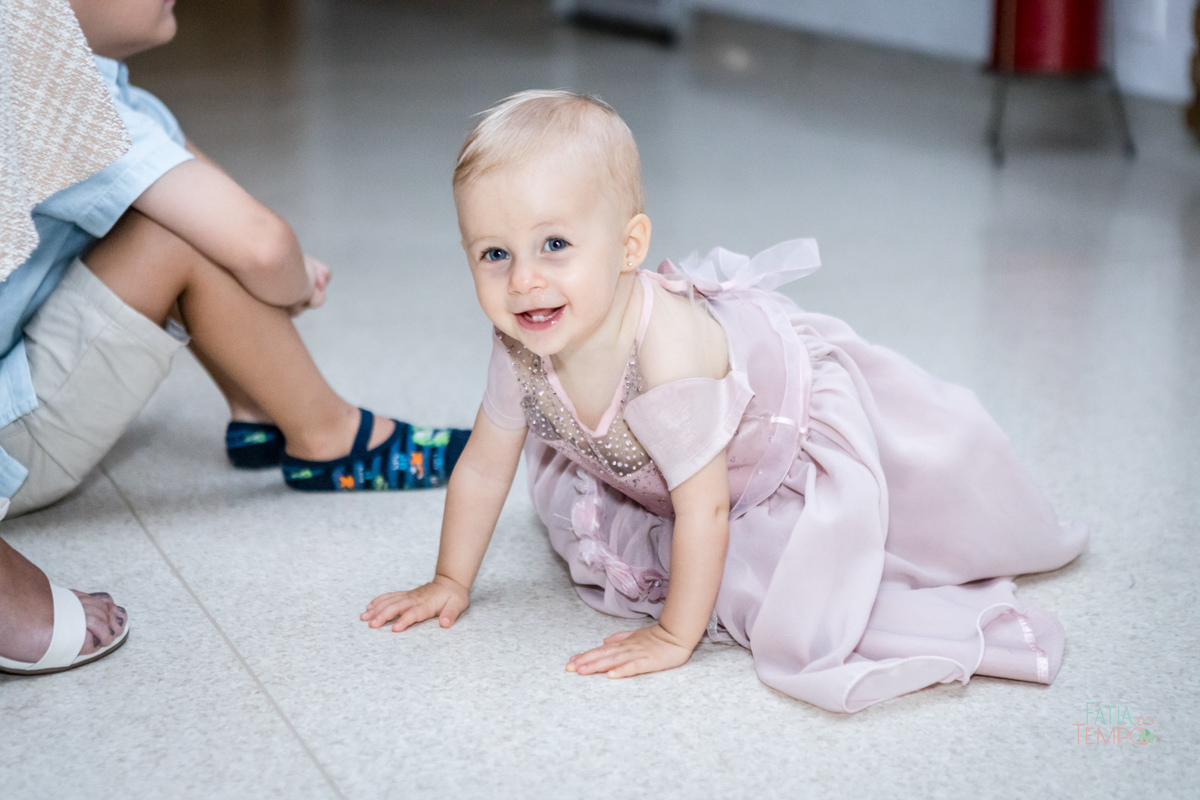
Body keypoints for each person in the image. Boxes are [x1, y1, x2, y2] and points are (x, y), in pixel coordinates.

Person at [360, 90, 1089, 713]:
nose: (523, 281)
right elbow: (485, 468)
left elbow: (705, 507)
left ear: (627, 245)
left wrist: (676, 635)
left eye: (554, 244)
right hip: (666, 471)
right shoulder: (519, 345)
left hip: (762, 447)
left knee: (794, 581)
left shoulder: (664, 350)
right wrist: (451, 580)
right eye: (495, 254)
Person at [0, 0, 468, 676]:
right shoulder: (59, 100)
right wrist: (292, 281)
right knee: (172, 237)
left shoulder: (108, 93)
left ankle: (256, 410)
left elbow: (239, 224)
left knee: (182, 218)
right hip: (15, 441)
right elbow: (259, 241)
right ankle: (328, 437)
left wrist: (277, 268)